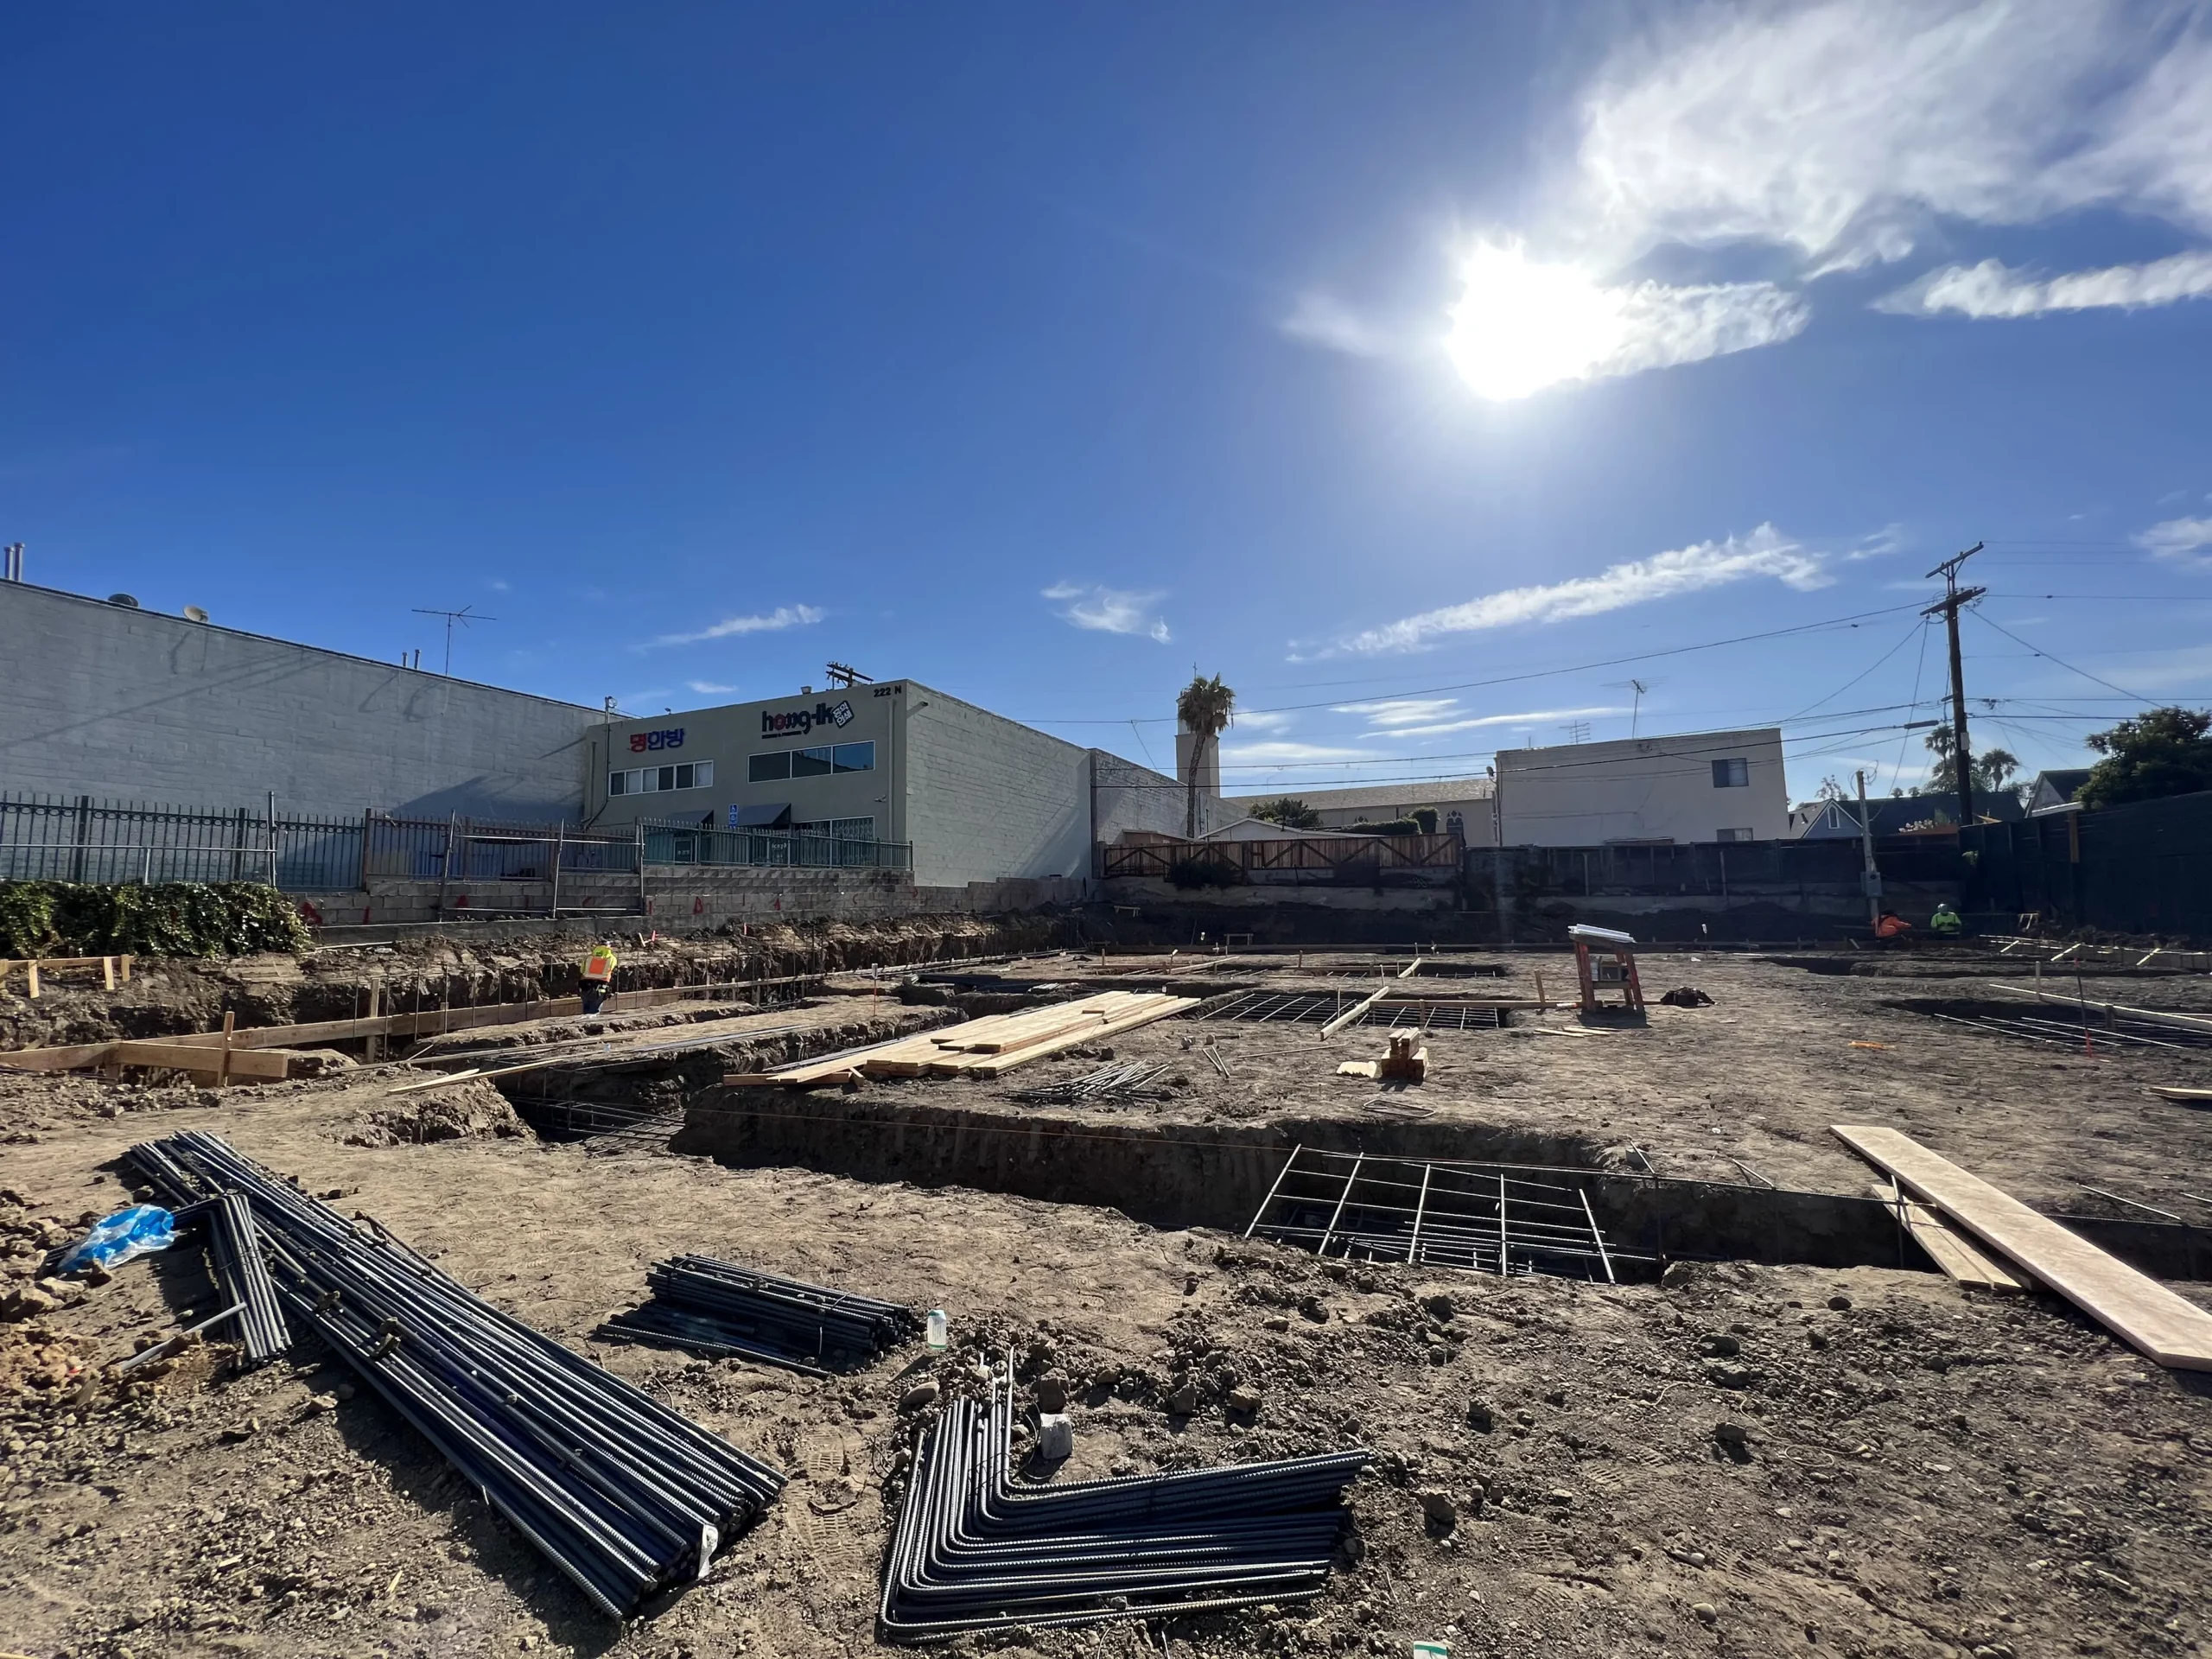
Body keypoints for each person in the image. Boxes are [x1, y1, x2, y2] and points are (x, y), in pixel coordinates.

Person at [580, 942, 617, 1014]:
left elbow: (581, 970)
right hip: (600, 986)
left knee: (586, 1009)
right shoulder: (612, 958)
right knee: (594, 1011)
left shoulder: (588, 957)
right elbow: (612, 968)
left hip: (585, 985)